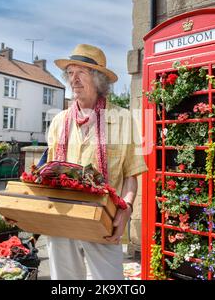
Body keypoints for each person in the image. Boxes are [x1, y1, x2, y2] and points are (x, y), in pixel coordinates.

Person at [45, 44, 148, 280]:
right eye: (70, 73)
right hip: (61, 219)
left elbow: (131, 174)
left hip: (103, 219)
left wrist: (127, 209)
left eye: (82, 72)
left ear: (99, 79)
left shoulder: (122, 119)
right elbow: (48, 175)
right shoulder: (59, 121)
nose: (74, 79)